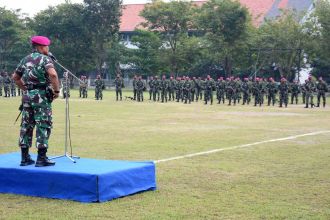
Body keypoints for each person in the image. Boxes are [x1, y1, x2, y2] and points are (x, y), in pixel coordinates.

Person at [12, 35, 59, 167]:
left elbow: (15, 77)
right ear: (41, 47)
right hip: (41, 96)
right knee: (43, 124)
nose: (48, 48)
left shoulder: (25, 59)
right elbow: (53, 74)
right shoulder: (45, 59)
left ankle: (25, 157)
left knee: (26, 125)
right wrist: (56, 91)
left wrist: (26, 88)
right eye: (47, 46)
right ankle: (41, 158)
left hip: (27, 97)